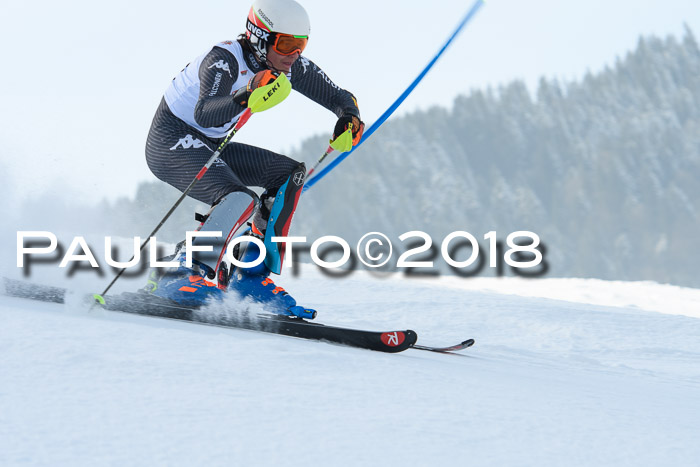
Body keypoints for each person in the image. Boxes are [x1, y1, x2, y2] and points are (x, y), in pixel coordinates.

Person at [143, 0, 364, 317]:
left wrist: (349, 117)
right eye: (286, 44)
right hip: (170, 141)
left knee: (290, 175)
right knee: (238, 198)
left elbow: (339, 96)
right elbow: (204, 113)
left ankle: (248, 276)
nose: (294, 54)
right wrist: (246, 93)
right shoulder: (223, 60)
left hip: (209, 145)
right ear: (260, 37)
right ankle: (181, 273)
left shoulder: (286, 63)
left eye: (300, 45)